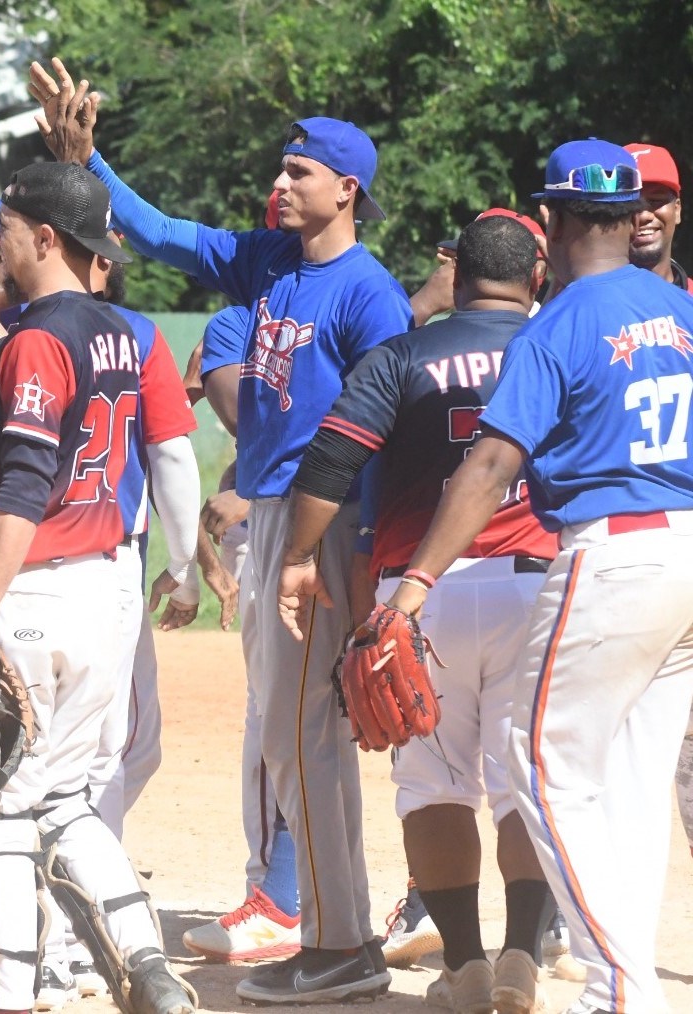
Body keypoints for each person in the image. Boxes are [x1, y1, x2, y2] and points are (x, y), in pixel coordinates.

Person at [29, 58, 411, 1003]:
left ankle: (337, 944)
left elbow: (382, 439)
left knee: (302, 737)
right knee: (293, 737)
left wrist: (337, 556)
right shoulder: (267, 260)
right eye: (281, 171)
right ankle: (335, 932)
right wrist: (89, 160)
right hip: (279, 509)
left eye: (298, 174)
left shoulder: (370, 295)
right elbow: (154, 233)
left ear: (346, 190)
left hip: (323, 517)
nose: (279, 186)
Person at [345, 137, 692, 1014]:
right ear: (628, 217)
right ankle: (630, 981)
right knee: (630, 786)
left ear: (553, 220)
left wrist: (415, 584)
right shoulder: (679, 308)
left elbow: (492, 462)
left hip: (613, 555)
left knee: (538, 770)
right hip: (685, 554)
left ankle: (615, 990)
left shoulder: (564, 320)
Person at [278, 214, 560, 1013]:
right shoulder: (554, 345)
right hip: (534, 586)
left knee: (433, 783)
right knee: (523, 784)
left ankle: (465, 967)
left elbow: (332, 458)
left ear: (456, 275)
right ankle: (522, 959)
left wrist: (299, 559)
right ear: (535, 278)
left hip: (421, 592)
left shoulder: (403, 353)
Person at [0, 160, 198, 1014]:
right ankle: (145, 960)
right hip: (102, 594)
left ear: (46, 238)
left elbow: (22, 479)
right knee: (66, 797)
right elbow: (6, 360)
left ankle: (10, 997)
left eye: (7, 229)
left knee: (6, 814)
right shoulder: (116, 331)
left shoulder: (43, 340)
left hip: (30, 593)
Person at [182, 304, 302, 965]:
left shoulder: (268, 318)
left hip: (292, 534)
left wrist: (252, 498)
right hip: (282, 532)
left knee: (275, 723)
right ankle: (300, 895)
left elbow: (329, 433)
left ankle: (276, 899)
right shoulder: (260, 318)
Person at [625, 142, 693, 867]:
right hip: (593, 549)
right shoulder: (569, 307)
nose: (647, 210)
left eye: (661, 196)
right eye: (634, 198)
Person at [625, 143, 690, 292]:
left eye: (656, 201)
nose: (643, 216)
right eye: (629, 204)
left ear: (677, 210)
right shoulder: (592, 307)